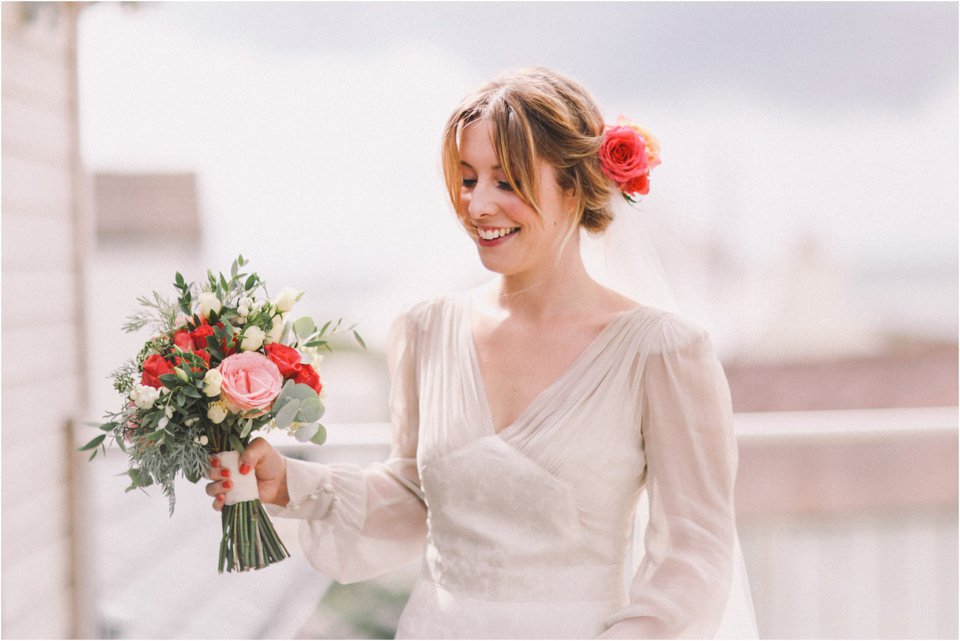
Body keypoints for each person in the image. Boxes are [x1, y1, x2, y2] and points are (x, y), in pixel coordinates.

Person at [206, 66, 757, 639]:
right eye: (468, 180)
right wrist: (289, 482)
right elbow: (419, 499)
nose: (478, 206)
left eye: (506, 181)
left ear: (574, 185)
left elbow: (694, 554)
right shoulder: (427, 330)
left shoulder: (662, 352)